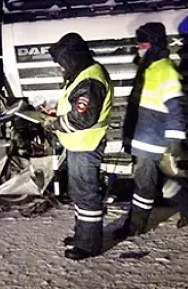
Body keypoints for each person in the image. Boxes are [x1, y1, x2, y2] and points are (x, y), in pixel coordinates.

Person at [116, 22, 188, 238]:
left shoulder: (164, 69)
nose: (138, 49)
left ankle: (134, 227)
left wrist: (175, 139)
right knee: (153, 180)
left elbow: (175, 106)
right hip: (142, 136)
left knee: (144, 185)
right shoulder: (147, 69)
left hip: (151, 138)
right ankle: (186, 199)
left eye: (142, 44)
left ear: (152, 44)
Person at [41, 32, 113, 260]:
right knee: (80, 193)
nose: (60, 68)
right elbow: (75, 108)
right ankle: (83, 235)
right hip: (79, 144)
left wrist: (54, 124)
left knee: (86, 194)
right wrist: (56, 112)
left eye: (62, 63)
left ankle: (89, 245)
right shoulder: (83, 73)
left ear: (72, 59)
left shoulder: (90, 80)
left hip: (86, 145)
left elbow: (82, 119)